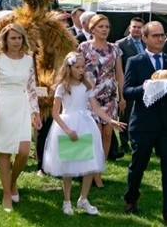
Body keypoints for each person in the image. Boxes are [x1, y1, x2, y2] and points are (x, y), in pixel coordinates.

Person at [43, 51, 126, 216]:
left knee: (89, 162)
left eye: (83, 67)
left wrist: (110, 120)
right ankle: (66, 201)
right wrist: (67, 129)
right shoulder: (62, 87)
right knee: (68, 165)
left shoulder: (87, 86)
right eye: (77, 67)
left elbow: (95, 108)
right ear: (69, 68)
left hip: (85, 124)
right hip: (68, 125)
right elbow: (55, 113)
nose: (81, 70)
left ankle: (83, 199)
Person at [123, 21, 167, 226]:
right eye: (156, 36)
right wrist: (146, 88)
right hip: (143, 123)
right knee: (138, 165)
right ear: (145, 38)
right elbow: (127, 91)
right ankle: (131, 198)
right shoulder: (135, 61)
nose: (160, 39)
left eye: (162, 36)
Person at [0, 23, 42, 212]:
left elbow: (31, 87)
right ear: (5, 40)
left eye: (19, 37)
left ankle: (12, 182)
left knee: (23, 151)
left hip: (21, 105)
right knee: (5, 152)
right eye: (12, 38)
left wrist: (35, 112)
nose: (16, 41)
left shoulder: (29, 60)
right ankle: (6, 193)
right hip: (2, 105)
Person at [78, 13, 125, 188]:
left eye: (106, 27)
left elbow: (119, 74)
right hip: (90, 96)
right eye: (101, 26)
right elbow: (77, 70)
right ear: (92, 29)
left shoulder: (115, 49)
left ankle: (98, 169)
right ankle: (89, 170)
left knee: (107, 134)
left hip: (109, 96)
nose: (104, 30)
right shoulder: (83, 47)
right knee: (95, 135)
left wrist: (122, 96)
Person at [116, 17, 145, 156]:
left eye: (139, 27)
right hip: (128, 85)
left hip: (145, 86)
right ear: (129, 27)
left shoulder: (146, 43)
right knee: (126, 116)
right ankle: (124, 143)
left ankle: (139, 141)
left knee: (143, 115)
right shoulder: (120, 44)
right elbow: (119, 69)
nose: (136, 29)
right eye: (134, 26)